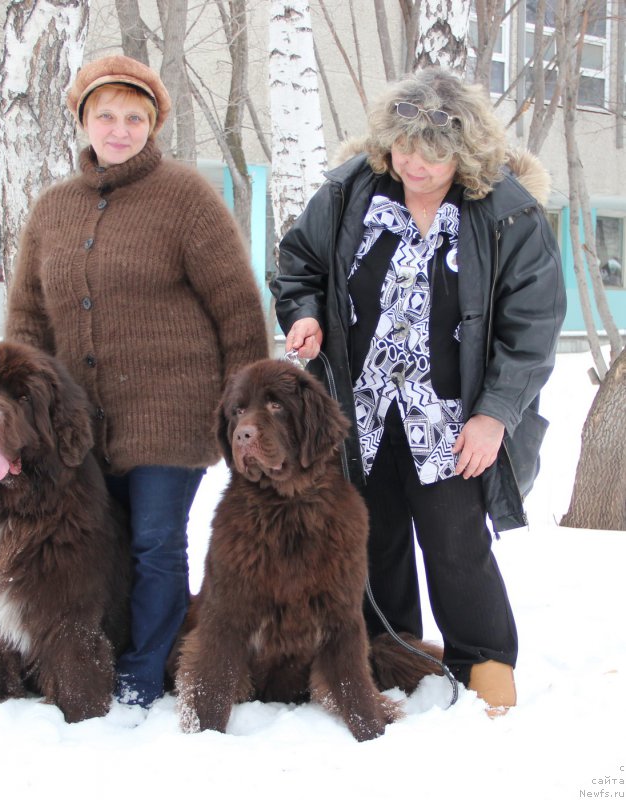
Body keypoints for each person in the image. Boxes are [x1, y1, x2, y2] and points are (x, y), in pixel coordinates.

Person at [271, 67, 566, 715]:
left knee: (456, 542)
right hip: (362, 410)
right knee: (372, 539)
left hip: (453, 417)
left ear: (465, 152)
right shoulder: (350, 191)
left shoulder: (506, 211)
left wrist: (495, 414)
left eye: (432, 154)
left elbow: (533, 326)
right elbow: (299, 264)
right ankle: (389, 659)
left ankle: (485, 669)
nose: (414, 164)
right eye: (403, 148)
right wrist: (304, 313)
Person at [6, 55, 268, 708]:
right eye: (105, 116)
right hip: (79, 424)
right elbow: (29, 318)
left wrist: (246, 414)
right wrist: (21, 414)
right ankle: (94, 656)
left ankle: (143, 672)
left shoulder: (185, 197)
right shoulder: (53, 209)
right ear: (83, 121)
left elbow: (237, 307)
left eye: (133, 118)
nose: (118, 130)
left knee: (155, 543)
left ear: (152, 126)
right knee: (102, 546)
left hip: (173, 413)